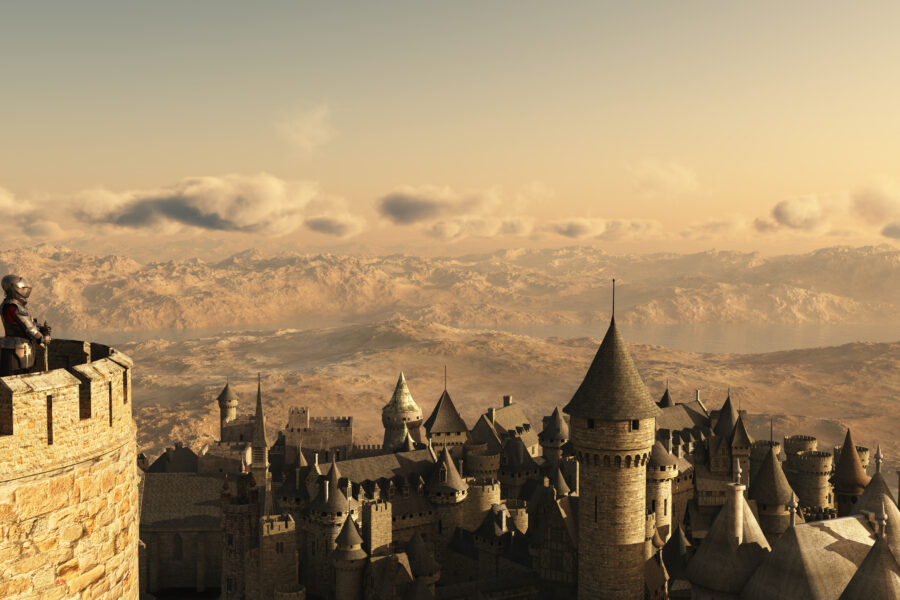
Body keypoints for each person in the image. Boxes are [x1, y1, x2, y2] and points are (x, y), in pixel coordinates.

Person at [1, 275, 51, 376]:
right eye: (22, 289)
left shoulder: (9, 305)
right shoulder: (13, 307)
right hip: (18, 349)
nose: (25, 292)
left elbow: (28, 324)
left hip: (17, 347)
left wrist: (40, 328)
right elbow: (30, 330)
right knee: (17, 377)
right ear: (14, 289)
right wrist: (44, 338)